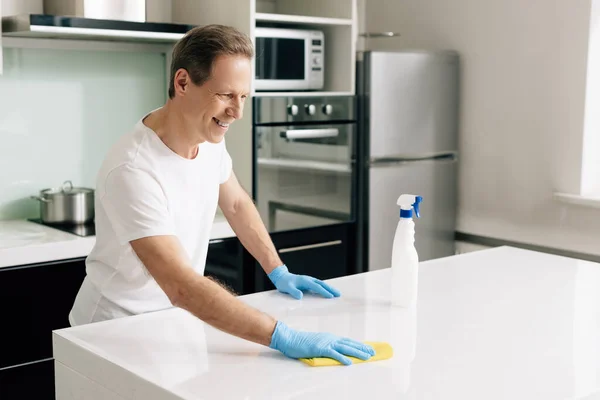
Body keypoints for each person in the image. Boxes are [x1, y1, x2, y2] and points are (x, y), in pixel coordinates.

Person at [69, 24, 374, 366]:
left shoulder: (207, 136)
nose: (238, 112)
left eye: (243, 97)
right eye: (226, 95)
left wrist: (278, 269)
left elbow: (236, 203)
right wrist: (282, 336)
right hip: (113, 332)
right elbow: (181, 285)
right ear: (182, 83)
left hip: (171, 322)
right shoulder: (133, 169)